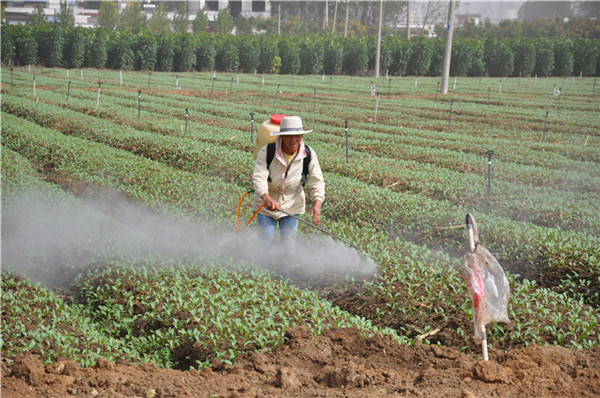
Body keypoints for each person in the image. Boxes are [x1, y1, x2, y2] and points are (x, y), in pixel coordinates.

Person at [252, 116, 325, 255]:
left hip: (292, 204)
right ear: (282, 137)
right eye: (289, 136)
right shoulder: (267, 151)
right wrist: (265, 197)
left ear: (302, 136)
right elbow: (259, 176)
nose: (293, 140)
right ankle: (263, 273)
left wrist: (317, 203)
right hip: (266, 205)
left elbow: (317, 180)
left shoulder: (308, 154)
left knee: (288, 247)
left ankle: (285, 272)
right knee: (266, 244)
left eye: (297, 136)